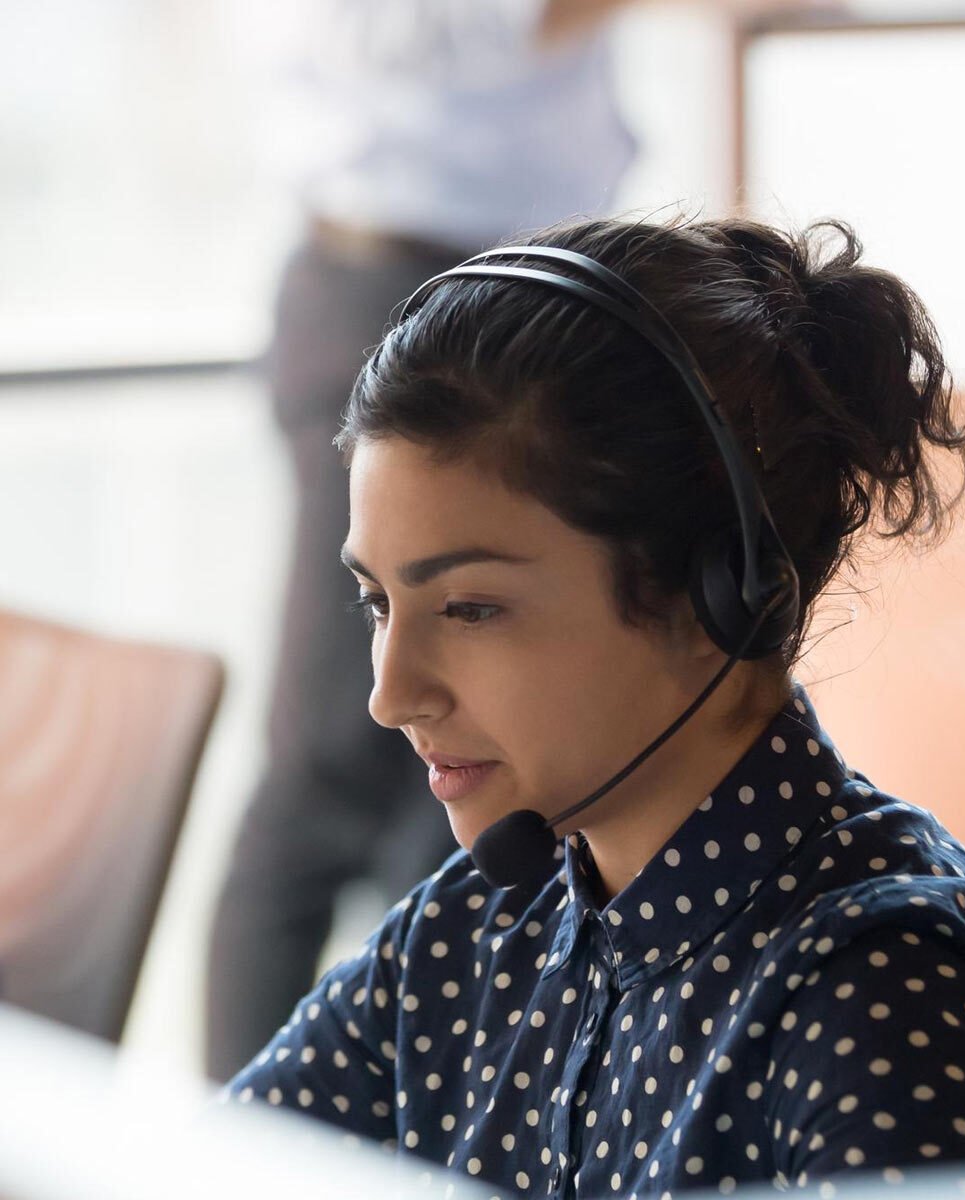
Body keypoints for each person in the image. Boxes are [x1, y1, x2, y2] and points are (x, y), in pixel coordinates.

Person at [224, 214, 965, 1193]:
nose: (391, 695)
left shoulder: (887, 999)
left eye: (471, 608)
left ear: (716, 593)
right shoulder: (471, 934)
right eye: (379, 602)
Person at [205, 0, 641, 1082]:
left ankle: (421, 1126)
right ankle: (232, 1148)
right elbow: (430, 29)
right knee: (326, 759)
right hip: (386, 287)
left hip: (523, 294)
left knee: (459, 775)